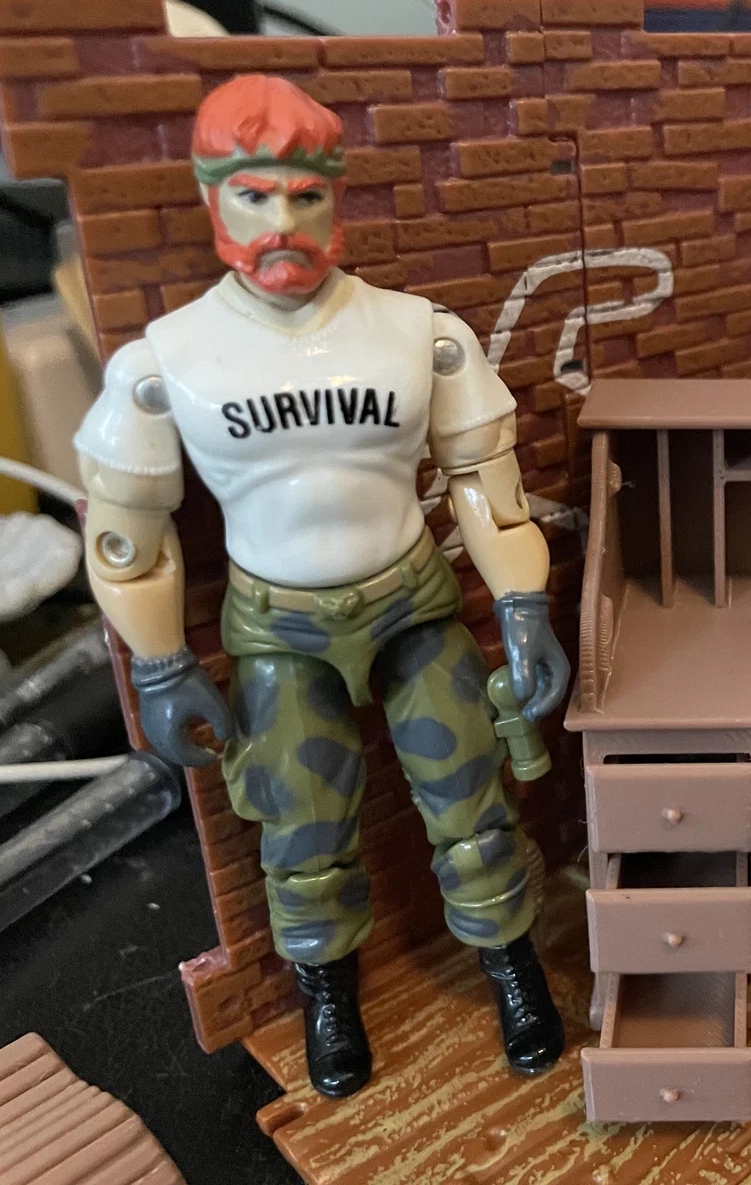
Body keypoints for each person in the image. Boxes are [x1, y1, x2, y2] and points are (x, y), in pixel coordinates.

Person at [72, 74, 570, 1098]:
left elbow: (489, 491)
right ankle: (327, 994)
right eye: (255, 195)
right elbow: (128, 541)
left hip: (412, 605)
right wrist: (161, 666)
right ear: (213, 198)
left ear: (335, 197)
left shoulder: (417, 332)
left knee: (471, 798)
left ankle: (511, 963)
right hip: (278, 627)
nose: (283, 221)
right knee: (297, 827)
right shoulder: (168, 362)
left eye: (305, 196)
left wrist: (524, 608)